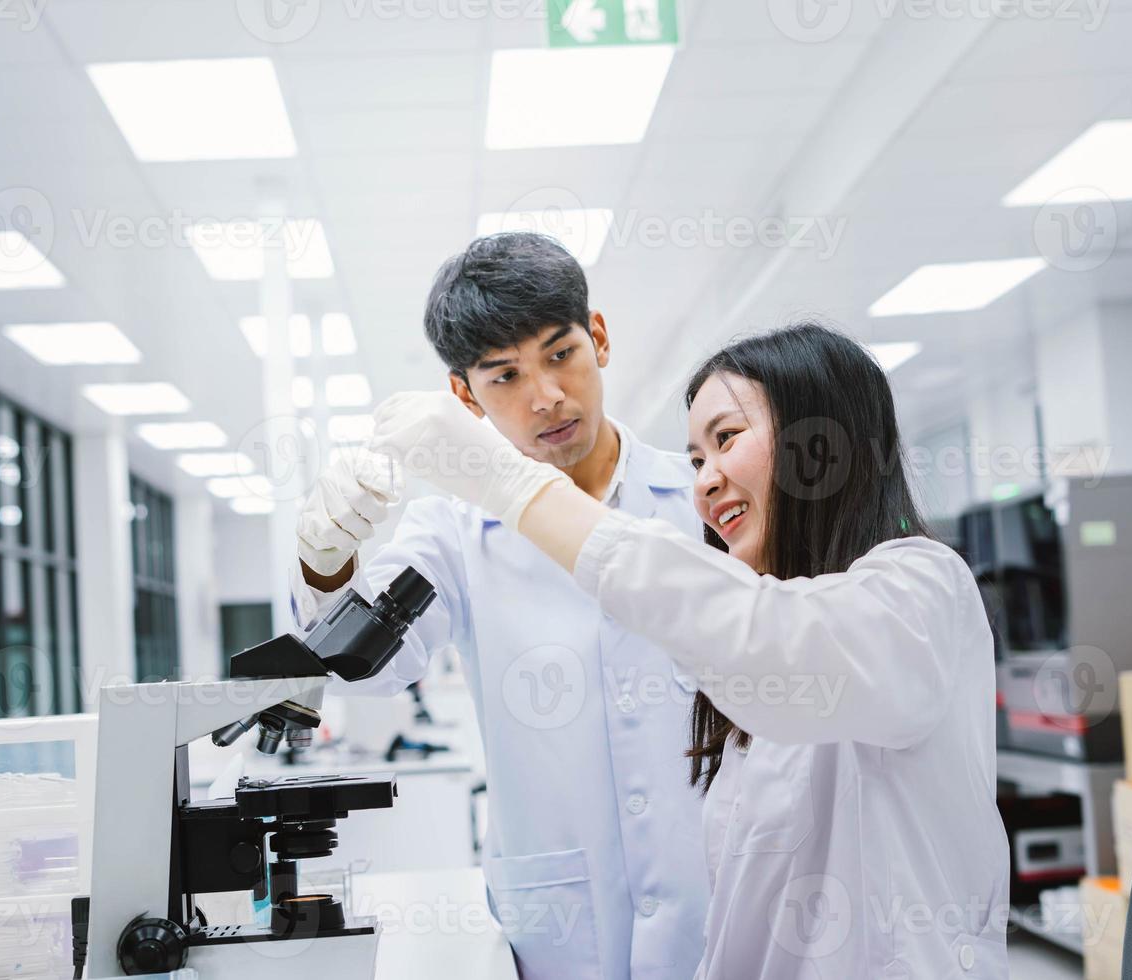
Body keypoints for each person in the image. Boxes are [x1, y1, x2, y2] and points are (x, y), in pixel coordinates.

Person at [370, 322, 1011, 979]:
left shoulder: (923, 590)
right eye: (697, 458)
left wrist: (515, 488)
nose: (703, 482)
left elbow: (777, 650)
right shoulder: (750, 682)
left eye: (726, 439)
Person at [292, 232, 709, 980]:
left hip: (720, 909)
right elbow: (361, 669)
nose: (546, 395)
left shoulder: (703, 500)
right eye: (505, 375)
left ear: (600, 339)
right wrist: (325, 564)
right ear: (463, 396)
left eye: (560, 354)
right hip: (561, 928)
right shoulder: (451, 532)